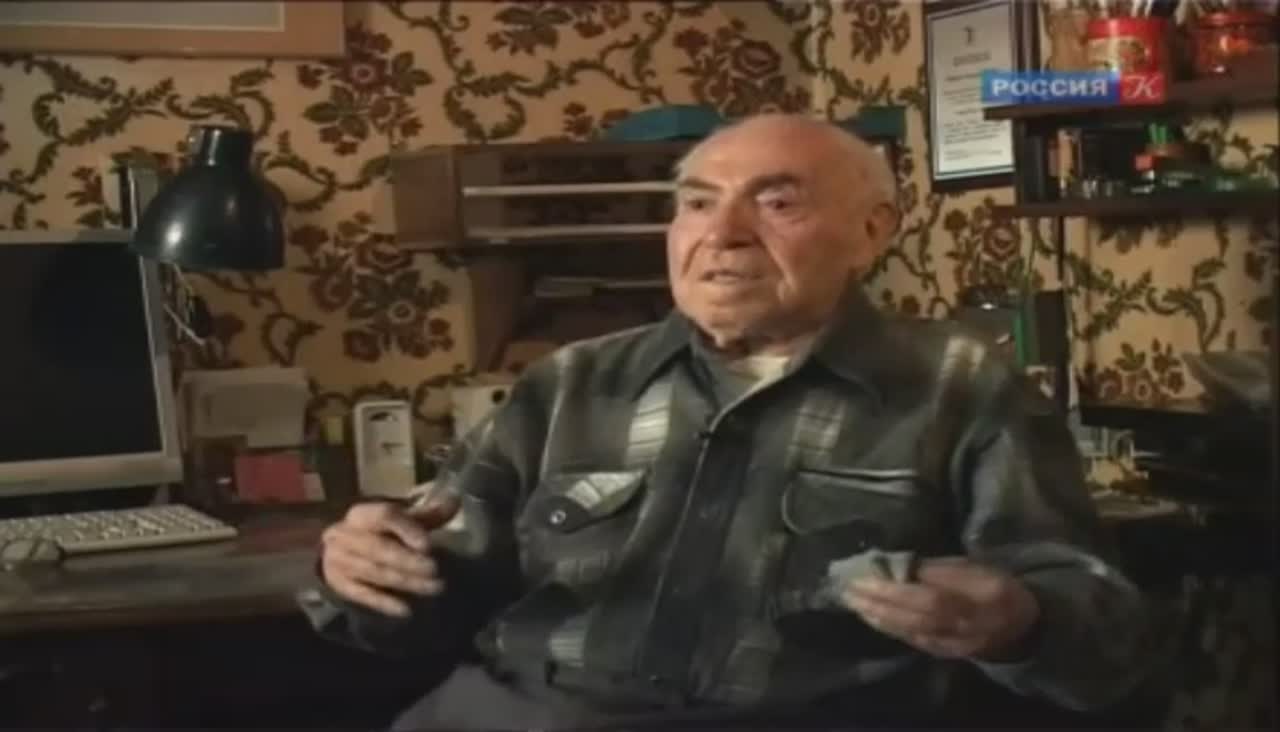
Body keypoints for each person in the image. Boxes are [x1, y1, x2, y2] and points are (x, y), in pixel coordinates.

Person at [300, 114, 1153, 730]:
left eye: (775, 203)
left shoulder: (959, 387)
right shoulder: (569, 383)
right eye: (698, 204)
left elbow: (1102, 630)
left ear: (871, 233)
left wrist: (1020, 622)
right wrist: (361, 569)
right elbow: (423, 599)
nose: (723, 234)